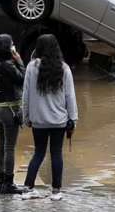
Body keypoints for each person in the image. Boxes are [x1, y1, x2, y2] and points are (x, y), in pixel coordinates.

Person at [21, 34, 78, 201]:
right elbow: (70, 97)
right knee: (56, 154)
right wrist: (73, 119)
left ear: (38, 48)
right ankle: (56, 191)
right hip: (59, 121)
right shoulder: (64, 68)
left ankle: (27, 189)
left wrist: (26, 117)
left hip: (38, 120)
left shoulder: (32, 67)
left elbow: (26, 94)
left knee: (38, 153)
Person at [0, 34, 26, 195]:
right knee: (9, 147)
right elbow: (23, 79)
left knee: (1, 146)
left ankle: (0, 182)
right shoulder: (7, 65)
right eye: (12, 45)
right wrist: (20, 61)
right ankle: (8, 183)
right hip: (10, 109)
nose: (14, 47)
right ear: (7, 48)